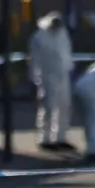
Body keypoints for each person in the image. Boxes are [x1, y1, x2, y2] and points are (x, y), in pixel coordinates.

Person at [29, 11, 75, 152]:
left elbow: (66, 52)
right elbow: (35, 60)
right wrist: (36, 79)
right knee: (48, 107)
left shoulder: (62, 34)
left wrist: (69, 68)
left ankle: (60, 137)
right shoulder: (39, 37)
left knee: (64, 106)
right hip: (47, 75)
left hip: (62, 75)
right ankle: (45, 138)